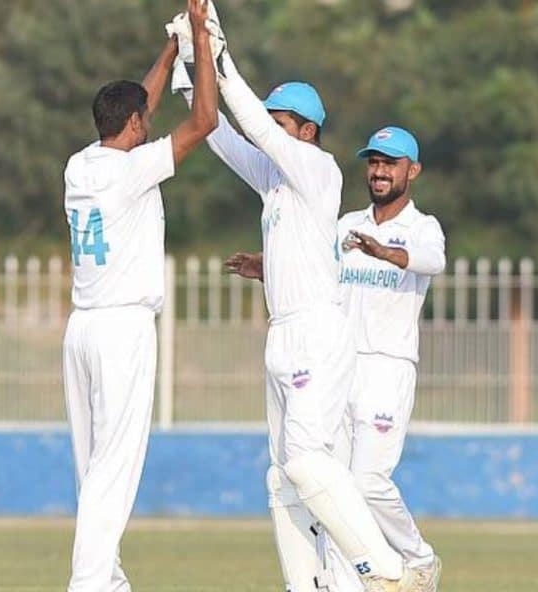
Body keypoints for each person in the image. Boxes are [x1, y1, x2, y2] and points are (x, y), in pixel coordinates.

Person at [167, 6, 411, 591]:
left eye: (284, 125)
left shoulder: (318, 169)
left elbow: (250, 123)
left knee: (306, 461)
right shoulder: (275, 178)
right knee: (282, 477)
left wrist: (221, 62)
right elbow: (221, 134)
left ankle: (388, 573)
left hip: (318, 337)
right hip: (282, 334)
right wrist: (189, 63)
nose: (273, 134)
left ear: (308, 131)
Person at [226, 127, 445, 592]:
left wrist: (385, 251)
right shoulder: (345, 224)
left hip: (389, 365)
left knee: (367, 482)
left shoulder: (424, 227)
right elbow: (313, 270)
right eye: (374, 162)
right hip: (338, 361)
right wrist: (266, 269)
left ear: (413, 170)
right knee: (333, 489)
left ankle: (418, 559)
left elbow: (433, 262)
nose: (380, 171)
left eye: (391, 163)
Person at [61, 1, 218, 591]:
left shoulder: (81, 166)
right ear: (132, 128)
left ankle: (109, 578)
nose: (147, 125)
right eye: (143, 122)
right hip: (123, 329)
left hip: (81, 328)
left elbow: (138, 106)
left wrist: (168, 50)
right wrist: (200, 39)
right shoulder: (132, 171)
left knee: (92, 467)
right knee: (114, 467)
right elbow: (202, 121)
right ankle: (89, 584)